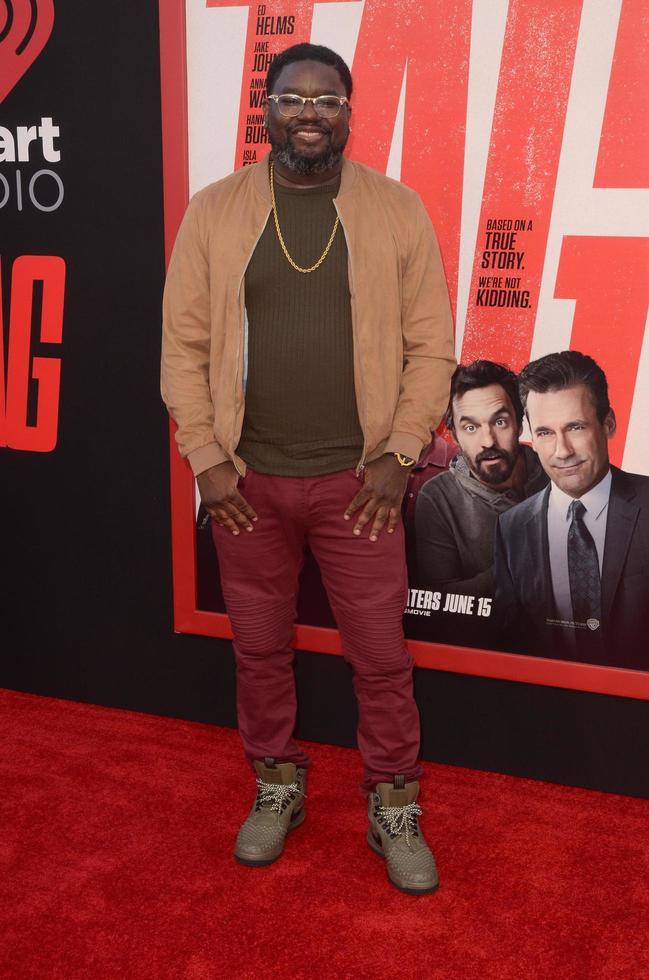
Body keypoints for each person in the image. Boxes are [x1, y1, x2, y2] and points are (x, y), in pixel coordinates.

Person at [161, 43, 455, 894]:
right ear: (268, 107)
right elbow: (182, 348)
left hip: (359, 488)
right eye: (295, 98)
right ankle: (275, 787)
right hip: (247, 486)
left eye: (329, 100)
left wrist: (401, 457)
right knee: (258, 651)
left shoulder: (394, 210)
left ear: (348, 113)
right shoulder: (214, 212)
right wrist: (208, 462)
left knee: (381, 659)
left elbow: (430, 347)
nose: (312, 113)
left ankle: (393, 804)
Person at [493, 350, 649, 668]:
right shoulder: (511, 528)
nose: (562, 451)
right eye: (545, 433)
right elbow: (509, 647)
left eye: (575, 427)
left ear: (608, 424)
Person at [415, 361, 547, 598]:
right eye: (471, 427)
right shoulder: (437, 497)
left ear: (519, 424)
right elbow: (439, 603)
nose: (488, 440)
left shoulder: (558, 475)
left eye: (500, 422)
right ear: (454, 435)